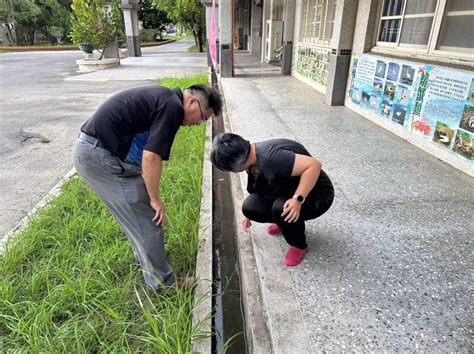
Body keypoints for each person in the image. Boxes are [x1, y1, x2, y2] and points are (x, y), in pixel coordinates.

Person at [73, 84, 222, 290]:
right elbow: (151, 156)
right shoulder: (172, 107)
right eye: (203, 118)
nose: (198, 123)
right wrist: (155, 199)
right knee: (149, 218)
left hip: (94, 151)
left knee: (138, 215)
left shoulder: (165, 98)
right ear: (192, 103)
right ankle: (163, 284)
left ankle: (147, 261)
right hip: (98, 157)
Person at [211, 133, 334, 266]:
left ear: (237, 164)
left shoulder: (272, 158)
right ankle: (285, 223)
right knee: (250, 207)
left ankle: (299, 245)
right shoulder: (252, 157)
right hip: (290, 186)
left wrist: (297, 199)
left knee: (281, 209)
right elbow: (260, 186)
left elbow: (314, 165)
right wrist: (248, 217)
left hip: (318, 193)